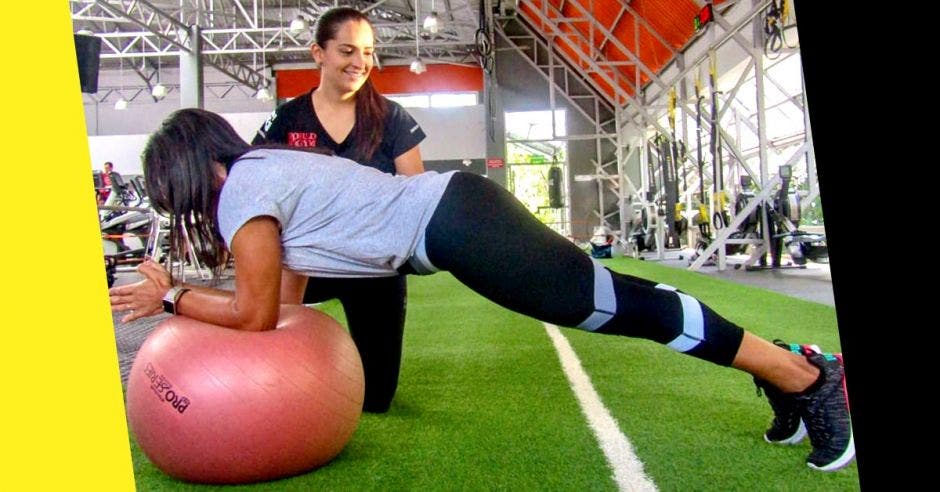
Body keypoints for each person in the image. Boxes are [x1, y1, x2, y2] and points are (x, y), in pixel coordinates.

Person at [109, 108, 855, 472]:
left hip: (459, 226)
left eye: (168, 190)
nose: (177, 207)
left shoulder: (242, 190)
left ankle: (808, 375)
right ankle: (787, 367)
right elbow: (286, 306)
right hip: (457, 223)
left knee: (620, 308)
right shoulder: (262, 175)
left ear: (187, 169)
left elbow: (254, 312)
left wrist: (174, 297)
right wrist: (211, 304)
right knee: (617, 301)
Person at [250, 6, 425, 413]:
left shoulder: (391, 118)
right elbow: (257, 189)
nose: (360, 63)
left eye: (367, 52)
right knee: (272, 363)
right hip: (305, 264)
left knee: (377, 398)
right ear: (318, 53)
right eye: (347, 51)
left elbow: (416, 195)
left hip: (371, 265)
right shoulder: (286, 119)